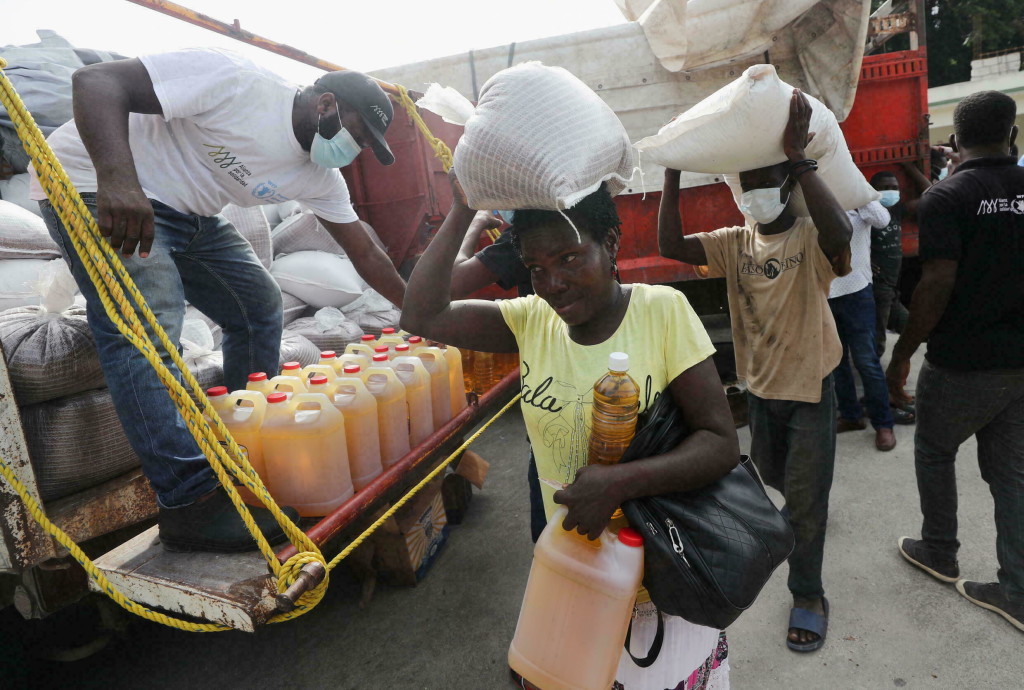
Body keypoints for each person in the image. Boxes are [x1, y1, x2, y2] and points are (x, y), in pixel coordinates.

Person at [30, 48, 407, 552]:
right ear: (327, 106)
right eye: (357, 135)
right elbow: (96, 82)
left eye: (364, 146)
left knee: (258, 305)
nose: (354, 149)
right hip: (93, 183)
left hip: (188, 216)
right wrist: (117, 179)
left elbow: (364, 252)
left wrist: (422, 313)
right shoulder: (238, 82)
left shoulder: (319, 177)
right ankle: (188, 501)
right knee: (145, 323)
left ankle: (244, 451)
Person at [402, 173, 738, 688]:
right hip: (573, 568)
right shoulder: (530, 320)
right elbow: (420, 313)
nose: (552, 282)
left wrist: (621, 482)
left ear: (609, 243)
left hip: (660, 571)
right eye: (536, 267)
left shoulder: (661, 311)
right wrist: (462, 209)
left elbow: (719, 443)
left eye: (568, 258)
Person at [659, 89, 852, 652]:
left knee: (806, 502)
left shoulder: (813, 236)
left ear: (789, 182)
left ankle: (809, 592)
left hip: (811, 385)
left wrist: (797, 157)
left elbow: (840, 233)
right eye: (749, 183)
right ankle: (806, 511)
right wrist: (672, 173)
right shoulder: (734, 243)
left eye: (769, 179)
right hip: (761, 389)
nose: (758, 192)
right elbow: (670, 243)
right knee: (776, 480)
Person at [888, 90, 1024, 633]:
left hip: (963, 363)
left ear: (956, 140)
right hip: (1020, 365)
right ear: (1011, 135)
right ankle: (1016, 589)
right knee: (1012, 474)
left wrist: (902, 354)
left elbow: (937, 283)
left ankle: (940, 550)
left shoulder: (950, 196)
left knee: (934, 448)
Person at [450, 211, 550, 543]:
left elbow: (451, 280)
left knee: (549, 473)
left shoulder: (527, 231)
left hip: (552, 379)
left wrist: (474, 222)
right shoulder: (580, 215)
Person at [828, 201, 898, 450]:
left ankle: (883, 423)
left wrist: (857, 194)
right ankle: (851, 416)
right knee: (837, 362)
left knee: (866, 361)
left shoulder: (856, 196)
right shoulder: (811, 198)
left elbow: (882, 219)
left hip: (857, 292)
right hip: (823, 294)